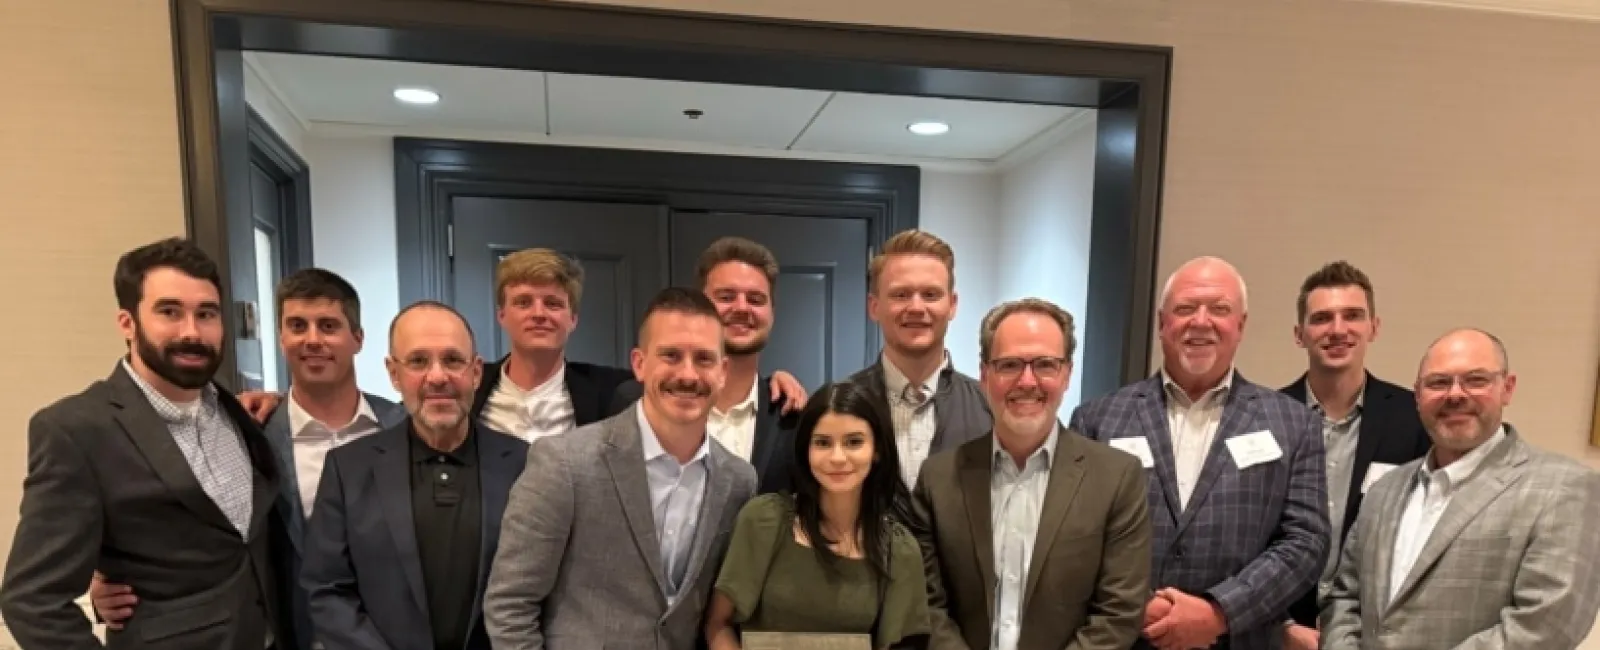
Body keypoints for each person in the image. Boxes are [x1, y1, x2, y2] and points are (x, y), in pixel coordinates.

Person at [90, 268, 409, 650]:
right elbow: (185, 526)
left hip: (397, 637)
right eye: (297, 325)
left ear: (357, 338)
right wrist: (104, 577)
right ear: (280, 337)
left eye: (328, 325)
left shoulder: (403, 428)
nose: (312, 340)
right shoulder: (247, 435)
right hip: (291, 638)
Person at [0, 237, 290, 649]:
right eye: (169, 312)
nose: (192, 332)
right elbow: (32, 601)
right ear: (127, 322)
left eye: (206, 313)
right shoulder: (77, 430)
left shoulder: (235, 410)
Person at [1069, 256, 1328, 650]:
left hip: (1236, 640)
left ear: (1240, 325)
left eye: (1219, 310)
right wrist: (1142, 606)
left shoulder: (1295, 424)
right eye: (1185, 309)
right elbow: (1076, 534)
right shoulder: (1097, 419)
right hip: (1124, 639)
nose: (1201, 322)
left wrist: (1219, 612)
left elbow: (1306, 542)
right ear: (1162, 324)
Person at [483, 287, 759, 650]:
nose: (688, 375)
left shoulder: (738, 481)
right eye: (671, 356)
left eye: (704, 359)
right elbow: (510, 604)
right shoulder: (564, 463)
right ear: (640, 364)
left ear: (723, 371)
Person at [1321, 328, 1600, 649]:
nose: (1455, 394)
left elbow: (1546, 625)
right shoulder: (1384, 490)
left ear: (1507, 388)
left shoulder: (1564, 488)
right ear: (1417, 396)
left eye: (1476, 380)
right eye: (1438, 383)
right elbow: (1344, 595)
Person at [915, 298, 1151, 650]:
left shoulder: (1117, 479)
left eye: (1045, 365)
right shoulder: (938, 478)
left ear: (1067, 374)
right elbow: (927, 604)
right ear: (984, 375)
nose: (1027, 381)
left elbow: (1118, 612)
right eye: (1009, 365)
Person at [301, 300, 526, 650]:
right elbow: (327, 591)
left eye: (453, 360)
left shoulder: (526, 465)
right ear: (394, 373)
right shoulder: (347, 470)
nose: (438, 377)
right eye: (418, 361)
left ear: (476, 372)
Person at [705, 382, 930, 650]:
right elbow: (718, 625)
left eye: (854, 442)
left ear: (877, 450)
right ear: (805, 449)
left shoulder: (899, 552)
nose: (837, 457)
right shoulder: (764, 520)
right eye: (823, 443)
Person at [1277, 261, 1429, 649]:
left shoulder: (1415, 418)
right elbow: (1243, 537)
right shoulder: (1265, 417)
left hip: (1373, 631)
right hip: (1279, 629)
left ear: (1373, 327)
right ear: (1300, 334)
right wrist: (1280, 627)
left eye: (1353, 316)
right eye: (1322, 318)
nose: (1338, 330)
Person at [613, 237, 803, 493]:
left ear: (772, 312)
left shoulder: (792, 414)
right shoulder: (633, 398)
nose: (742, 308)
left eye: (756, 300)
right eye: (726, 296)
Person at [847, 229, 991, 489]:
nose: (916, 308)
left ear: (952, 305)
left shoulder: (990, 408)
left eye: (931, 295)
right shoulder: (839, 405)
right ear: (874, 306)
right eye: (900, 295)